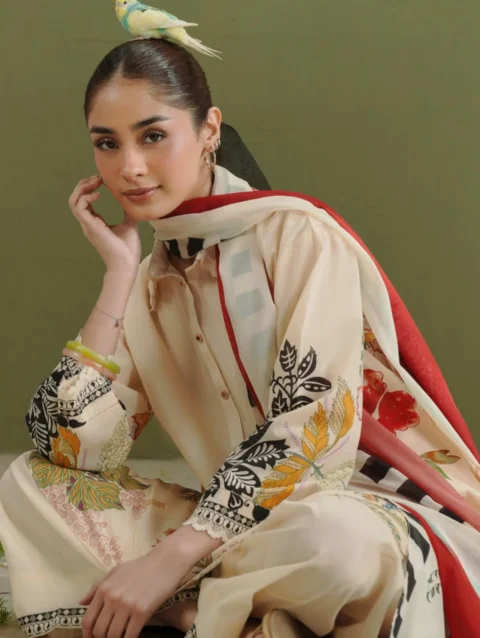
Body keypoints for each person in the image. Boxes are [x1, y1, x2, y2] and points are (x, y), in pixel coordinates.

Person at [0, 35, 479, 638]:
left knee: (335, 544)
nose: (130, 167)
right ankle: (229, 614)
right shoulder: (147, 285)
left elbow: (313, 427)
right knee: (27, 483)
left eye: (153, 135)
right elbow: (76, 450)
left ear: (209, 130)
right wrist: (117, 279)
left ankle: (195, 609)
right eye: (107, 143)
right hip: (233, 532)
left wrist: (169, 559)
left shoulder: (299, 237)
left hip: (347, 508)